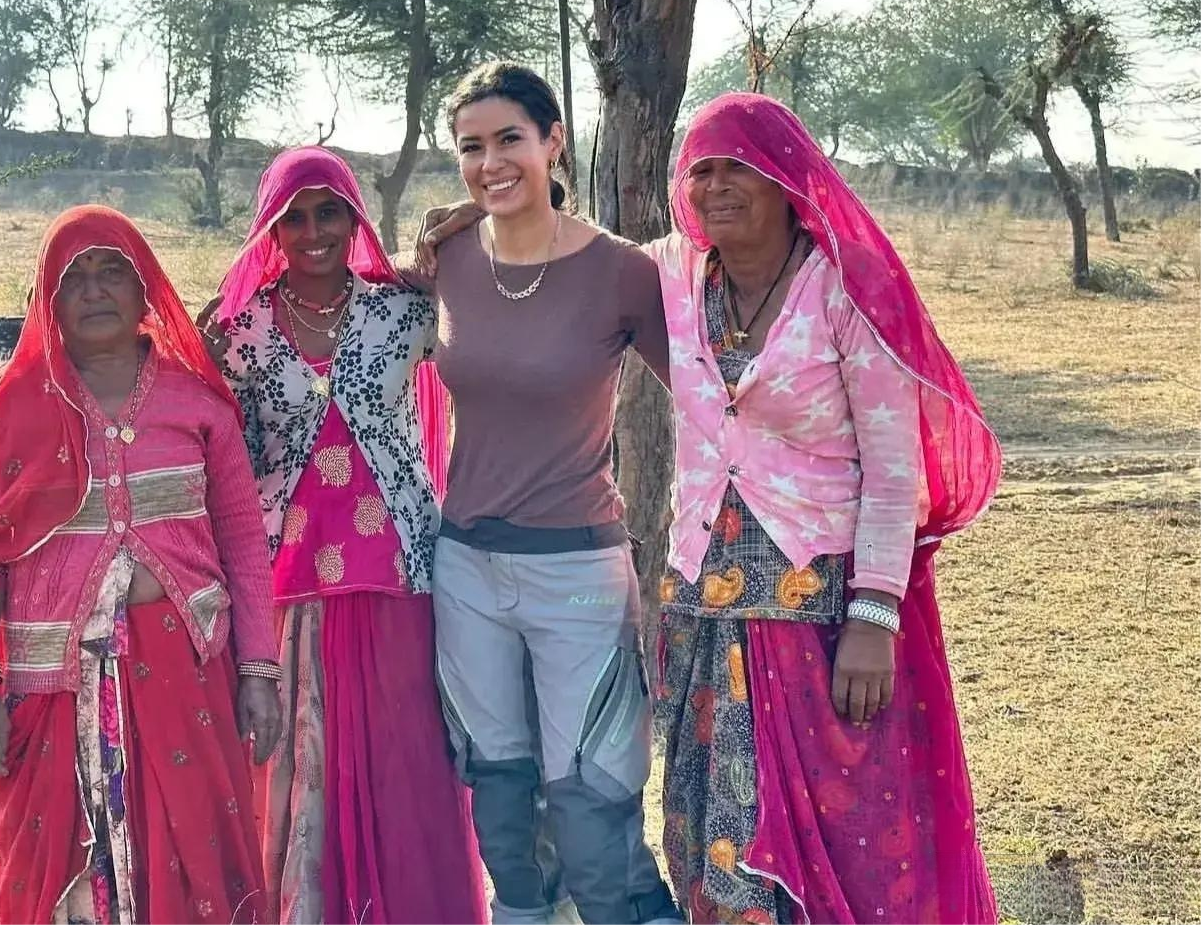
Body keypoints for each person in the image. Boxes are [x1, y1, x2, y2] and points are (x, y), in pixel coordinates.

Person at [417, 93, 1002, 925]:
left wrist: (876, 612)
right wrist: (470, 208)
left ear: (788, 175)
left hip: (818, 606)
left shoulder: (841, 291)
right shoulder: (676, 277)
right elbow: (557, 250)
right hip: (700, 605)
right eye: (702, 172)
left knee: (833, 826)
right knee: (708, 831)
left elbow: (893, 465)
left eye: (740, 167)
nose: (718, 187)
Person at [0, 205, 280, 925]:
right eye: (72, 276)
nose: (93, 289)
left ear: (145, 285)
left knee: (199, 875)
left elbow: (242, 536)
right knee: (54, 881)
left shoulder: (198, 400)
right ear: (46, 298)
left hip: (188, 674)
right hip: (51, 689)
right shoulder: (11, 404)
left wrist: (259, 671)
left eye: (111, 269)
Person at [414, 61, 684, 925]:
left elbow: (712, 399)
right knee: (496, 781)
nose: (490, 163)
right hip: (466, 566)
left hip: (577, 568)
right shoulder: (446, 255)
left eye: (509, 141)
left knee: (590, 792)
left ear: (553, 140)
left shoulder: (620, 271)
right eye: (470, 147)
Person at [202, 146, 486, 925]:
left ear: (355, 216)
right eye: (292, 217)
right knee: (297, 773)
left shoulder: (407, 311)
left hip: (399, 577)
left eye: (329, 211)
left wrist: (475, 218)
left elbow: (511, 292)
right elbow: (216, 457)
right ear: (271, 227)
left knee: (404, 763)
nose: (313, 231)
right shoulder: (238, 331)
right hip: (285, 585)